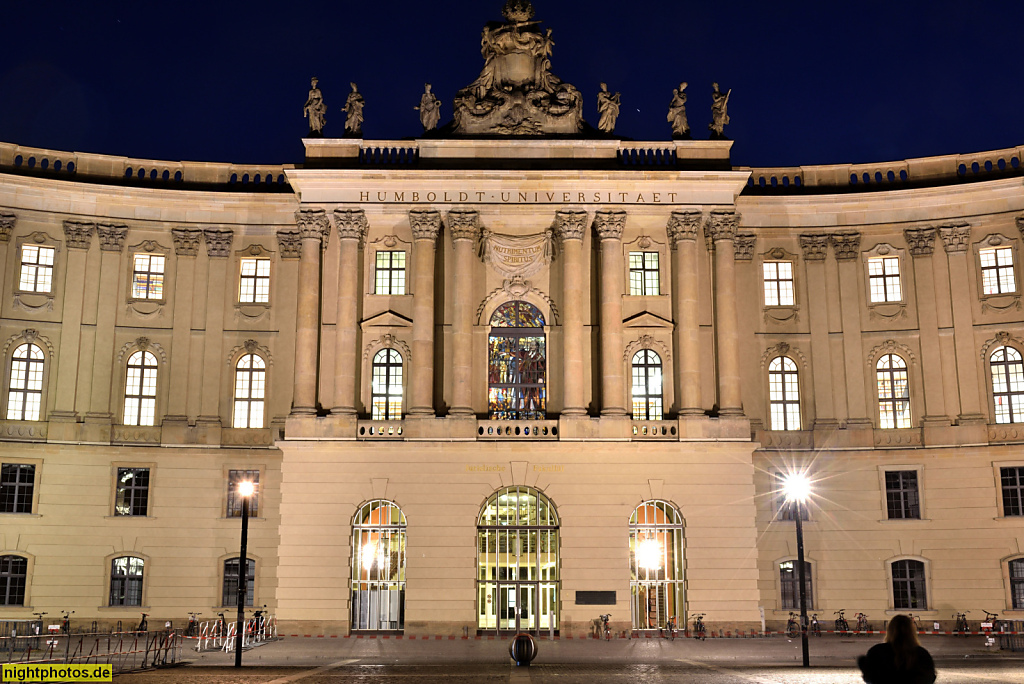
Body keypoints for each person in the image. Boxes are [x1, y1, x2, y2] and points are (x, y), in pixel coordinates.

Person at [857, 614, 936, 684]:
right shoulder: (921, 653)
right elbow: (930, 678)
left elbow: (869, 678)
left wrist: (863, 664)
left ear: (889, 631)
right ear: (912, 631)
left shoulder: (877, 651)